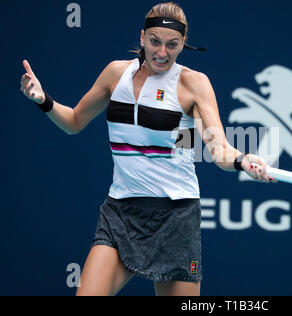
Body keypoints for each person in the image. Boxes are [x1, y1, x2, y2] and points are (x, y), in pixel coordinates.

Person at [19, 2, 275, 296]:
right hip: (120, 211)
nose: (162, 52)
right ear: (142, 37)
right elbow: (75, 121)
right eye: (155, 41)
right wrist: (43, 100)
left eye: (172, 44)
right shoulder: (116, 74)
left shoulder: (193, 84)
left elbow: (219, 150)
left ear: (182, 45)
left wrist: (243, 161)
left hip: (175, 216)